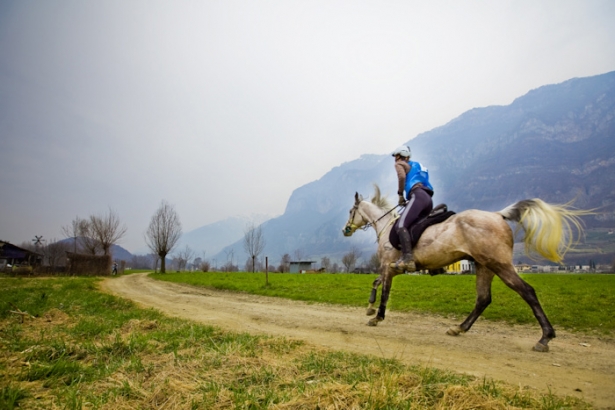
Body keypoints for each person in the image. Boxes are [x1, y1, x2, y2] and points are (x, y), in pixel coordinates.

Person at [391, 145, 434, 272]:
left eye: (396, 157)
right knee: (416, 228)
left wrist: (400, 194)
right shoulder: (418, 166)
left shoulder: (400, 164)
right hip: (427, 199)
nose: (395, 159)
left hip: (418, 196)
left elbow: (402, 177)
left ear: (400, 156)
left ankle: (407, 259)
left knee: (400, 225)